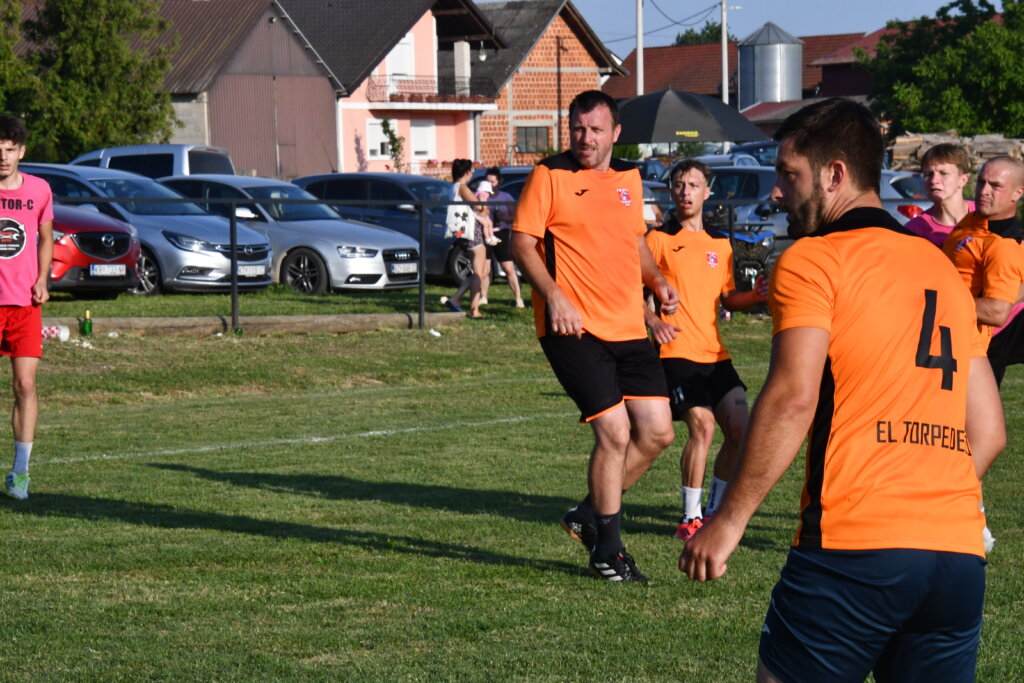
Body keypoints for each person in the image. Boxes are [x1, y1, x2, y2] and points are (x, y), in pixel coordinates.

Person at [680, 98, 1005, 681]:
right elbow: (989, 431)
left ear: (834, 174)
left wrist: (727, 520)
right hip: (956, 557)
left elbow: (792, 398)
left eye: (789, 173)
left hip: (853, 548)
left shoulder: (814, 259)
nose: (778, 191)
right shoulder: (943, 271)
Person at [512, 90, 677, 582]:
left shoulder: (630, 177)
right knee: (615, 432)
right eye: (578, 129)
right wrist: (554, 297)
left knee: (658, 433)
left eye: (596, 130)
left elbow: (635, 241)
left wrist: (657, 281)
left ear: (615, 133)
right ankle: (608, 551)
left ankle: (588, 515)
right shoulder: (549, 174)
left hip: (628, 326)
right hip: (573, 328)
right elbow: (521, 243)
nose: (585, 138)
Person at [643, 159, 768, 541]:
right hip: (676, 352)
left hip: (715, 356)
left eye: (693, 185)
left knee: (741, 432)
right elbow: (631, 294)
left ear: (707, 192)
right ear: (671, 191)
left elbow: (728, 298)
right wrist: (654, 323)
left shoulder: (720, 243)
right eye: (679, 185)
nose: (685, 192)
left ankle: (712, 511)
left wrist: (756, 297)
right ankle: (690, 518)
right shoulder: (657, 240)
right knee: (703, 426)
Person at [0, 116, 54, 500]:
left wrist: (42, 279)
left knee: (26, 385)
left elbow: (46, 238)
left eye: (9, 149)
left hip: (24, 304)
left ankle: (20, 472)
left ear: (22, 151)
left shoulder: (39, 189)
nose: (2, 156)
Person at [941, 156, 1024, 357]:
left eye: (995, 186)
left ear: (1017, 193)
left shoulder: (1003, 244)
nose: (983, 191)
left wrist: (937, 300)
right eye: (981, 182)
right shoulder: (972, 221)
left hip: (961, 349)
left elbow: (997, 311)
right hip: (939, 333)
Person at [440, 159, 489, 318]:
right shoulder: (462, 187)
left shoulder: (451, 187)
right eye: (471, 170)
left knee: (480, 271)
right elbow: (478, 205)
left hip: (461, 232)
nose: (472, 173)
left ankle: (457, 299)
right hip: (471, 231)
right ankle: (473, 309)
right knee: (479, 272)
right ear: (467, 172)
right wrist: (484, 207)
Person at [905, 143, 974, 247]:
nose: (933, 181)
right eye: (928, 174)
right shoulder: (915, 229)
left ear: (963, 180)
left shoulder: (983, 216)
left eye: (943, 173)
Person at [484, 167, 525, 308]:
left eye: (493, 182)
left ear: (499, 182)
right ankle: (483, 297)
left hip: (501, 233)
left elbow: (515, 216)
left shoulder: (506, 197)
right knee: (485, 269)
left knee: (508, 268)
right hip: (485, 233)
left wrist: (504, 218)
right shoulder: (481, 196)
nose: (490, 185)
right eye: (487, 181)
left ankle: (518, 298)